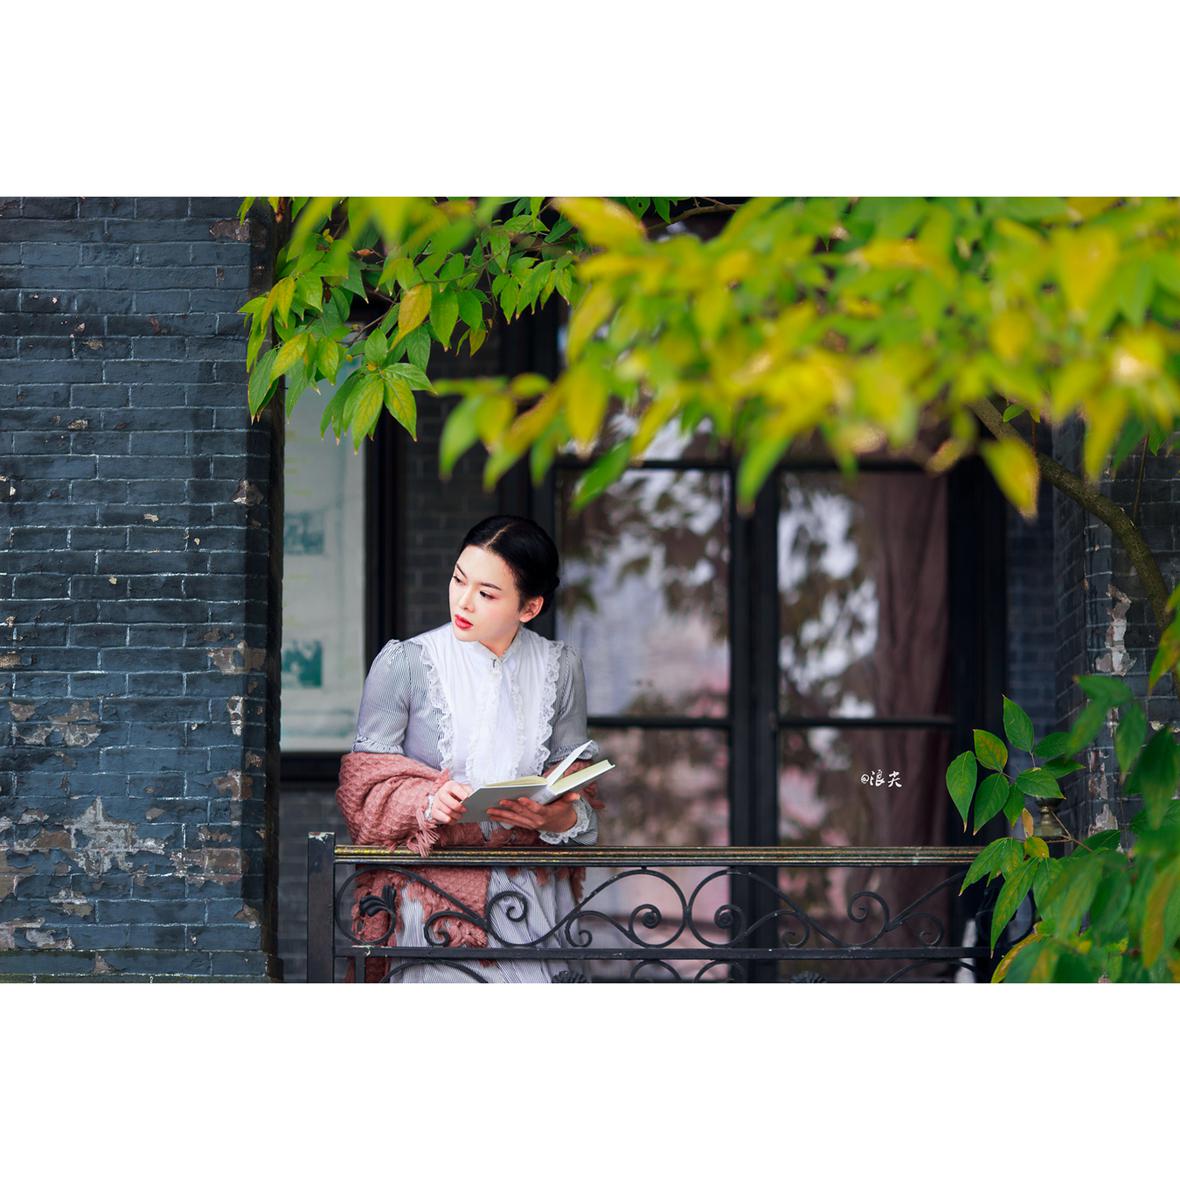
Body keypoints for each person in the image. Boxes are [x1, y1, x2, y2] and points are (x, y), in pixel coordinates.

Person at [338, 514, 605, 982]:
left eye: (487, 593)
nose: (463, 601)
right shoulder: (406, 663)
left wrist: (555, 817)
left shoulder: (560, 668)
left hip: (530, 894)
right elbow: (364, 788)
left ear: (529, 607)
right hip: (432, 896)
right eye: (459, 579)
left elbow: (576, 781)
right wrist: (428, 801)